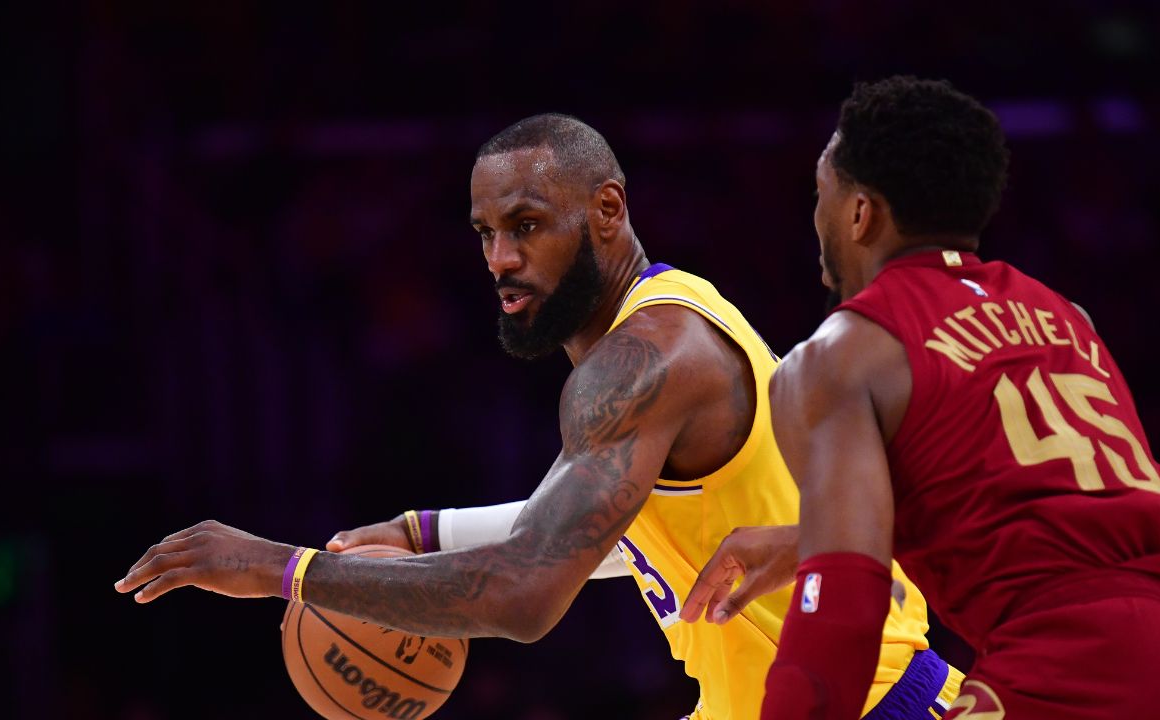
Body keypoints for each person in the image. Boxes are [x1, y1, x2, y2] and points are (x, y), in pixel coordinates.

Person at [114, 113, 962, 719]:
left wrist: (278, 568)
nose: (501, 259)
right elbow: (600, 534)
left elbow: (526, 591)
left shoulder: (648, 358)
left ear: (607, 211)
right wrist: (421, 533)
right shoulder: (657, 328)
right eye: (485, 232)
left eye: (527, 226)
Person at [684, 76, 1160, 720]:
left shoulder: (836, 356)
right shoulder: (1067, 316)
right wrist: (809, 541)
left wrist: (827, 566)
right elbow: (1051, 509)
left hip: (1087, 659)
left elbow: (842, 618)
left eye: (822, 194)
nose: (816, 218)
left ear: (860, 213)